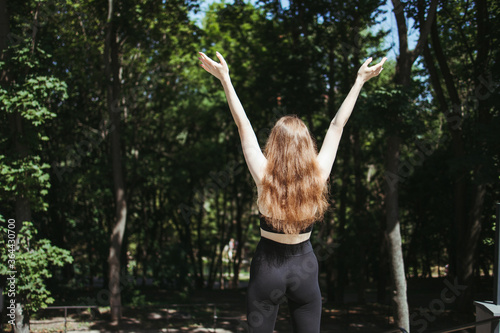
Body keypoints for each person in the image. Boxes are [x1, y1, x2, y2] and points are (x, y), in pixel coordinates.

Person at [198, 51, 386, 333]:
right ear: (306, 145)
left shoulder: (264, 177)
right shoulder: (318, 176)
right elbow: (337, 126)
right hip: (305, 267)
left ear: (274, 145)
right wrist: (359, 80)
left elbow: (243, 126)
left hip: (267, 268)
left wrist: (225, 79)